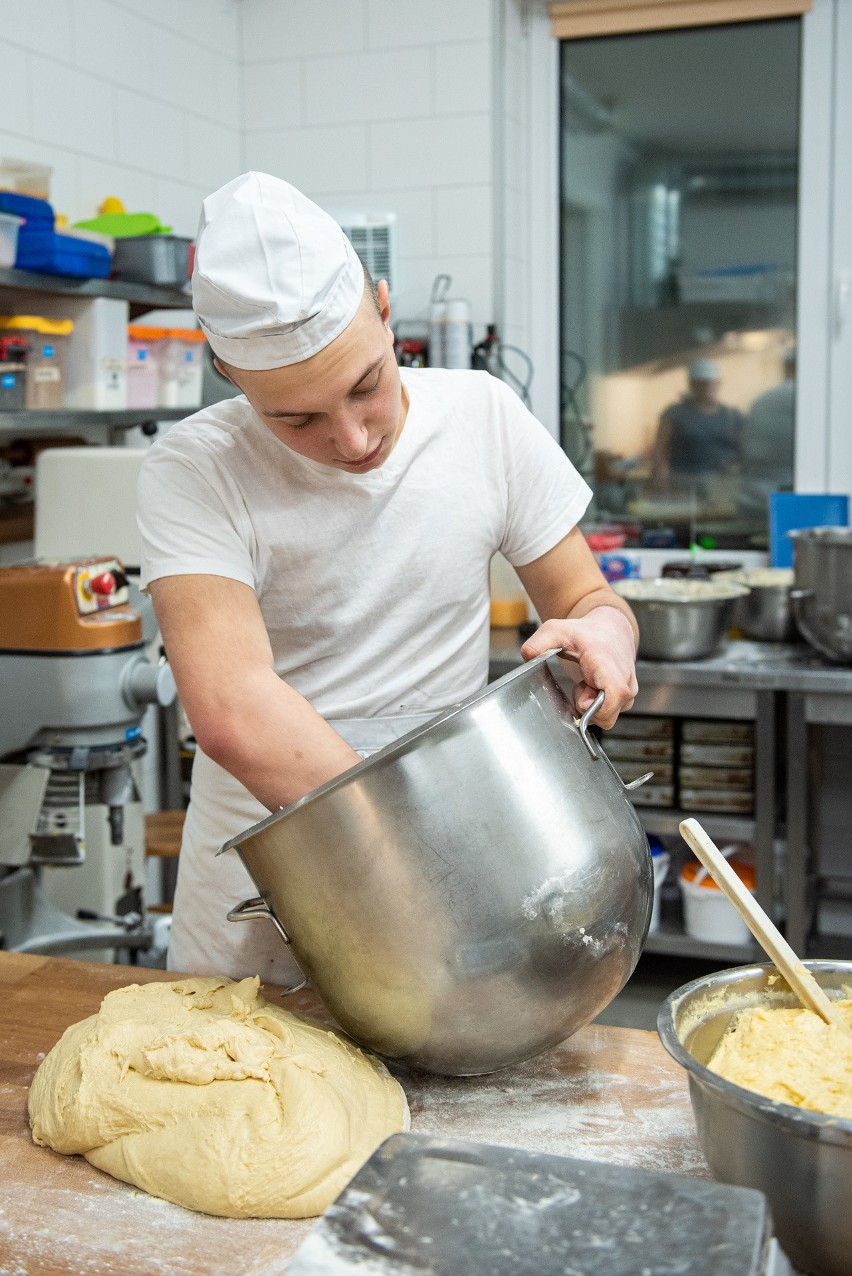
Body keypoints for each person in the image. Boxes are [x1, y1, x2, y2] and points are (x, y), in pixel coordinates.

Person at [137, 172, 639, 984]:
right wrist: (407, 859)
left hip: (457, 839)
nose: (352, 436)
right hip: (275, 872)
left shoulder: (484, 417)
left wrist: (607, 634)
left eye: (366, 384)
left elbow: (587, 598)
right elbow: (233, 709)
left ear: (384, 305)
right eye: (295, 418)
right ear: (230, 374)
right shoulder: (196, 468)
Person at [651, 357, 744, 493]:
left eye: (712, 383)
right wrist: (659, 482)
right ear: (692, 385)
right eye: (702, 383)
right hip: (684, 483)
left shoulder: (732, 415)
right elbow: (659, 451)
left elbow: (743, 450)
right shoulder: (675, 413)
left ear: (718, 384)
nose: (707, 387)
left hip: (724, 485)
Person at [738, 347, 795, 521]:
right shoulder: (808, 398)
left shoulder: (762, 400)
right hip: (791, 501)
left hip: (752, 497)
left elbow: (744, 448)